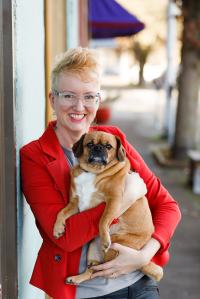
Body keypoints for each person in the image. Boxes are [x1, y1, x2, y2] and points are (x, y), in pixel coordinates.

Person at [20, 47, 181, 299]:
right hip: (88, 292)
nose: (79, 106)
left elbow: (168, 206)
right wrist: (125, 197)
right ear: (52, 99)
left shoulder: (115, 141)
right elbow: (65, 237)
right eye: (68, 96)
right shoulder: (35, 156)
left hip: (141, 283)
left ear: (98, 100)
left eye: (89, 97)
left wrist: (142, 256)